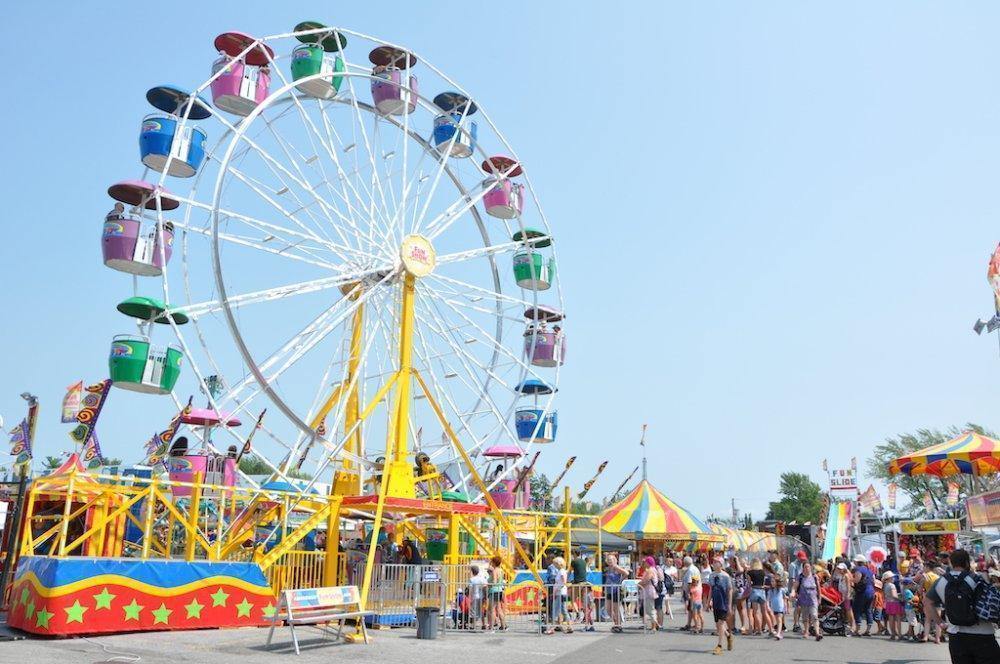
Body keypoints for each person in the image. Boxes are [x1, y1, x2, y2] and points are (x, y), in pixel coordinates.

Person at [933, 548, 999, 663]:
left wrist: (940, 622)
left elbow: (927, 602)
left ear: (951, 562)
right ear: (967, 562)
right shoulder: (977, 579)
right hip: (983, 634)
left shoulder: (941, 581)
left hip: (956, 636)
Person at [791, 561, 823, 641]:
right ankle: (806, 631)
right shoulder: (800, 577)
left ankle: (817, 633)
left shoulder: (815, 577)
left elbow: (818, 588)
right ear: (803, 568)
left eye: (808, 567)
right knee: (805, 617)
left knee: (814, 616)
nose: (807, 568)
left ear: (811, 568)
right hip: (803, 600)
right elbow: (795, 587)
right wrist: (792, 593)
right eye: (805, 567)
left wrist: (819, 598)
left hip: (813, 600)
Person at [709, 557, 734, 655]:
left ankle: (719, 646)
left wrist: (729, 605)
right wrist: (708, 602)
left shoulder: (726, 576)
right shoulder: (711, 575)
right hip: (716, 602)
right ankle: (728, 636)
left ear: (721, 564)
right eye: (714, 562)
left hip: (724, 602)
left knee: (720, 624)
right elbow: (711, 589)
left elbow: (730, 590)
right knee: (718, 625)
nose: (714, 564)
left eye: (716, 562)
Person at [545, 556, 573, 635]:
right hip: (561, 593)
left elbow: (563, 582)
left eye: (555, 564)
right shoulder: (561, 571)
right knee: (564, 611)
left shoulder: (561, 571)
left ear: (558, 564)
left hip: (560, 593)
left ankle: (551, 628)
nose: (554, 565)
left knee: (555, 610)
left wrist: (557, 589)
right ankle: (569, 627)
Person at [604, 553, 628, 633]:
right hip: (608, 590)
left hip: (615, 590)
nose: (609, 561)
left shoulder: (615, 567)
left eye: (611, 560)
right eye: (608, 560)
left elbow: (626, 573)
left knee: (615, 609)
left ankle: (618, 625)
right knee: (608, 610)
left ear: (614, 560)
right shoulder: (608, 568)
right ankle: (616, 623)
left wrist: (620, 581)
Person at [851, 554, 875, 636]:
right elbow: (873, 581)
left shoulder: (858, 569)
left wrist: (850, 579)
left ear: (857, 562)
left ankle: (857, 629)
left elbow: (857, 580)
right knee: (868, 610)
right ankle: (868, 630)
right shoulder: (869, 570)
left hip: (862, 592)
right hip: (871, 591)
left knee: (857, 609)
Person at [638, 556, 661, 632]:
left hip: (649, 592)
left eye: (645, 562)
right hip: (648, 591)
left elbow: (646, 581)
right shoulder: (652, 570)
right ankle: (655, 623)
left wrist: (638, 584)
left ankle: (654, 626)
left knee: (650, 609)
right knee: (648, 609)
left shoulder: (650, 570)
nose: (644, 564)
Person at [834, 562, 856, 635]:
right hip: (842, 595)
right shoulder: (841, 576)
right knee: (846, 610)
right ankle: (849, 624)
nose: (839, 570)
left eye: (841, 569)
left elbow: (848, 586)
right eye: (839, 569)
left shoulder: (846, 576)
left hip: (846, 595)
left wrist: (848, 595)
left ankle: (852, 625)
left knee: (849, 610)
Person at [746, 559, 767, 635]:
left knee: (756, 612)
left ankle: (759, 630)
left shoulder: (750, 572)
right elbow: (763, 583)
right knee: (764, 612)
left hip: (754, 590)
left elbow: (749, 583)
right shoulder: (763, 572)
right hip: (762, 591)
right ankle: (771, 629)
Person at [487, 555, 507, 631]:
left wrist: (488, 584)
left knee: (491, 610)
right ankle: (503, 625)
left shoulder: (495, 571)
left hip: (494, 591)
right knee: (499, 609)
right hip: (499, 590)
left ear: (494, 562)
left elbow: (494, 582)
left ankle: (491, 627)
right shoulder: (500, 570)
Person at [788, 550, 806, 632]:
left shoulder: (802, 565)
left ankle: (798, 623)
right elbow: (792, 579)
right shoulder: (793, 565)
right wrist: (793, 591)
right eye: (801, 558)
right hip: (795, 587)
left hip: (801, 588)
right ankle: (796, 624)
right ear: (797, 557)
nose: (802, 560)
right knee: (797, 607)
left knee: (800, 607)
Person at [882, 571, 903, 640]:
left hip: (888, 603)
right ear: (889, 578)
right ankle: (899, 634)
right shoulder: (892, 585)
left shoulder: (885, 585)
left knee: (891, 619)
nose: (893, 578)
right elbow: (894, 595)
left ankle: (893, 634)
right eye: (892, 577)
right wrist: (900, 597)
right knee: (898, 619)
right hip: (894, 603)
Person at [686, 557, 704, 634]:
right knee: (700, 615)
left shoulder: (693, 589)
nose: (692, 582)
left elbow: (690, 595)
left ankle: (697, 627)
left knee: (695, 615)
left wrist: (688, 594)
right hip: (700, 602)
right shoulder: (699, 588)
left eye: (693, 581)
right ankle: (702, 626)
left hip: (694, 602)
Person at [768, 569, 786, 640]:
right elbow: (768, 599)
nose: (772, 583)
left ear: (776, 582)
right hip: (774, 607)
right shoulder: (770, 591)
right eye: (771, 581)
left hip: (780, 607)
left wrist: (785, 606)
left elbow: (785, 598)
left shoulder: (781, 590)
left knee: (779, 619)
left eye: (773, 581)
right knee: (777, 620)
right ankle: (780, 632)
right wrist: (768, 606)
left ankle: (778, 633)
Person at [469, 564, 488, 630]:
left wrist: (469, 597)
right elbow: (485, 588)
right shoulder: (482, 579)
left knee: (473, 611)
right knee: (481, 611)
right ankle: (483, 624)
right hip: (481, 597)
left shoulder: (472, 579)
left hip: (474, 597)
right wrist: (485, 597)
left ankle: (473, 625)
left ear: (472, 571)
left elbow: (470, 589)